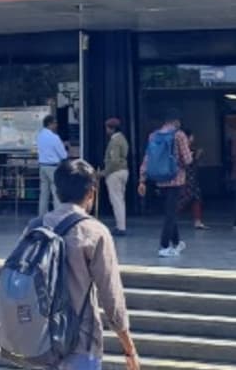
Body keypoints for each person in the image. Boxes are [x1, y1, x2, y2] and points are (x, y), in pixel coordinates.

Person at [35, 159, 141, 370]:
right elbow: (111, 296)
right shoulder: (94, 231)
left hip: (36, 342)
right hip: (79, 342)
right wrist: (129, 348)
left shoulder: (34, 228)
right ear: (91, 193)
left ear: (57, 191)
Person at [138, 112, 194, 258]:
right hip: (176, 179)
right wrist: (192, 154)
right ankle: (163, 246)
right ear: (176, 120)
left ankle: (177, 243)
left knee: (170, 211)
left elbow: (147, 158)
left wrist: (142, 179)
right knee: (171, 214)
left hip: (160, 179)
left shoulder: (153, 136)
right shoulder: (179, 135)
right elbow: (187, 159)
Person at [102, 118, 130, 236]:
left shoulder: (114, 141)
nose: (106, 130)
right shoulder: (123, 139)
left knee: (116, 200)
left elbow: (113, 161)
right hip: (124, 171)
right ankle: (121, 224)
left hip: (115, 173)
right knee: (120, 200)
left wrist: (104, 173)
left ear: (112, 128)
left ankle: (120, 227)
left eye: (107, 128)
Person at [37, 115, 68, 217]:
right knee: (56, 192)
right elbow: (63, 155)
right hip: (53, 167)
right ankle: (58, 215)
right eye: (54, 123)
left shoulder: (40, 136)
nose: (56, 125)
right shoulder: (54, 137)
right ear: (49, 124)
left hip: (42, 166)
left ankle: (42, 215)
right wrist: (65, 147)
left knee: (44, 193)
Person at [180, 134, 208, 230]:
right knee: (184, 198)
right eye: (190, 137)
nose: (192, 139)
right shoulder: (181, 149)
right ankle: (171, 215)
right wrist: (196, 157)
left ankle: (198, 221)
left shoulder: (192, 148)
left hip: (192, 178)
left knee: (196, 198)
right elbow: (188, 162)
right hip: (184, 178)